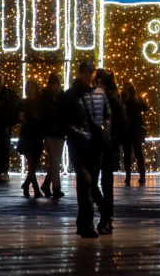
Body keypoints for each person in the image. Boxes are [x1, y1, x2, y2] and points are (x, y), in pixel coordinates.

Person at [59, 61, 112, 237]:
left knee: (90, 184)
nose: (90, 75)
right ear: (80, 73)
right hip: (79, 145)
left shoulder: (100, 94)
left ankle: (88, 222)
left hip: (96, 145)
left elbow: (108, 115)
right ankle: (86, 224)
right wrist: (76, 132)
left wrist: (104, 128)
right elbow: (61, 119)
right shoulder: (70, 96)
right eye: (87, 72)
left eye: (92, 71)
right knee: (86, 183)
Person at [96, 69, 126, 231]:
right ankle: (106, 213)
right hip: (98, 145)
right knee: (97, 182)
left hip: (106, 146)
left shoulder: (111, 98)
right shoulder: (96, 96)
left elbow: (123, 122)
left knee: (105, 183)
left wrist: (111, 138)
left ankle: (106, 216)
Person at [38, 73, 65, 199]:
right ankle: (56, 188)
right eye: (53, 86)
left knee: (55, 160)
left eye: (56, 86)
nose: (54, 88)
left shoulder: (48, 97)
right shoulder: (49, 97)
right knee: (55, 159)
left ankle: (46, 184)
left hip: (56, 131)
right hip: (51, 131)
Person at [17, 79, 44, 197]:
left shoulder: (40, 102)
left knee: (34, 163)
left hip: (37, 133)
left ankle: (27, 185)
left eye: (33, 87)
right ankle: (36, 189)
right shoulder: (24, 102)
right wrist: (24, 119)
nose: (31, 90)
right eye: (29, 87)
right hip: (28, 134)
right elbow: (20, 116)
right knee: (31, 162)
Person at [122, 82, 149, 185]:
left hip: (133, 129)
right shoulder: (125, 100)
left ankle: (136, 176)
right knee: (132, 153)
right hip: (130, 129)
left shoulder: (131, 100)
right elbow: (144, 108)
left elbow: (145, 108)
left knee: (134, 153)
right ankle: (132, 176)